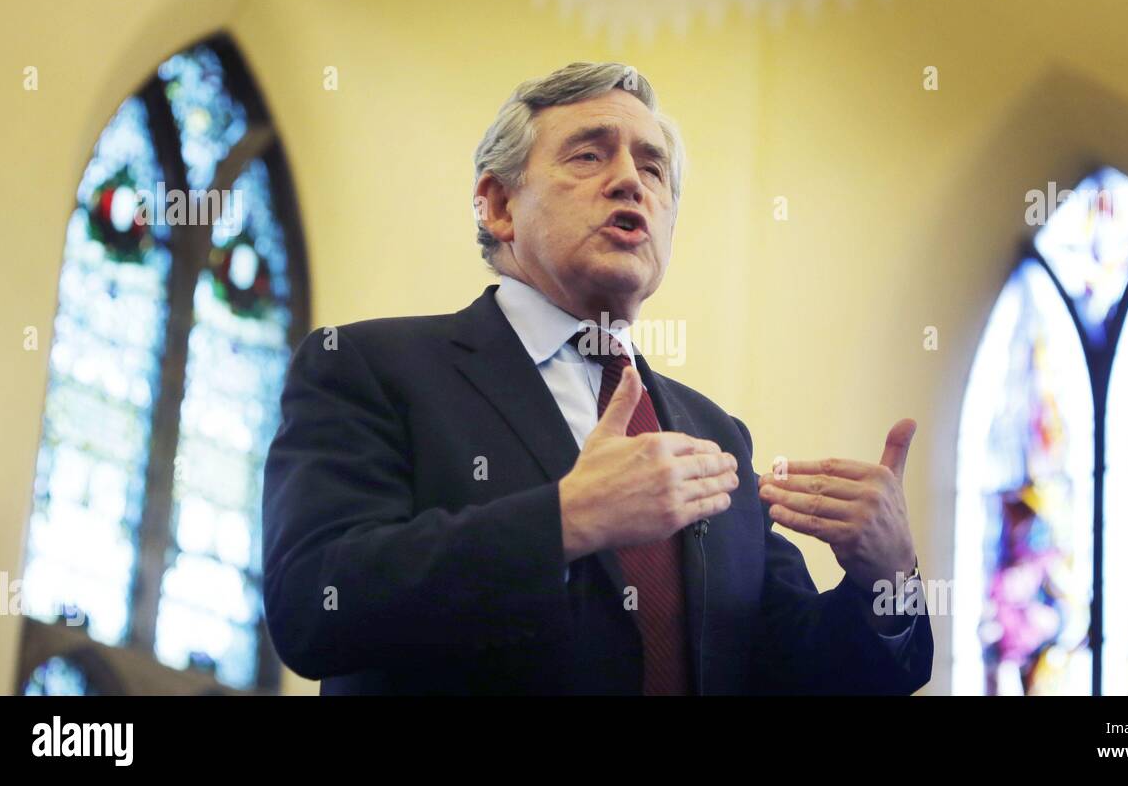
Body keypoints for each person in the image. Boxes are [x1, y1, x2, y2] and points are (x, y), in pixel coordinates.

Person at [262, 62, 932, 695]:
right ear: (497, 206)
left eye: (653, 168)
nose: (630, 182)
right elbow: (315, 604)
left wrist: (890, 576)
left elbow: (800, 675)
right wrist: (565, 520)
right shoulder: (373, 367)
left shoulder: (716, 438)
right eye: (588, 154)